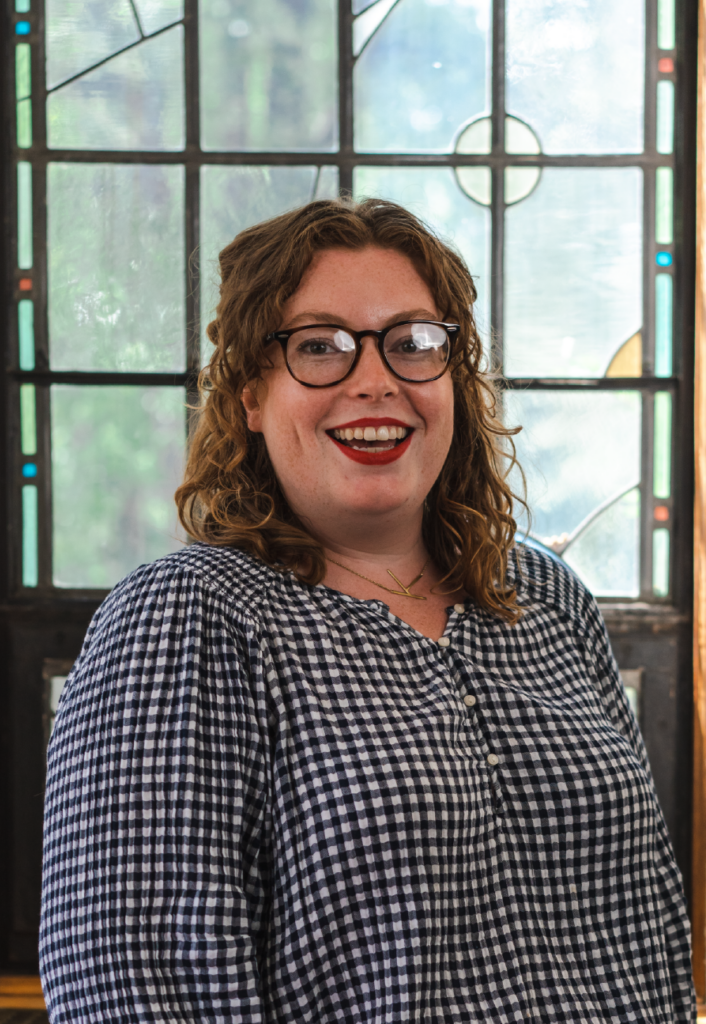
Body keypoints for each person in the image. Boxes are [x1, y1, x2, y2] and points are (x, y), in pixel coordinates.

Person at [39, 198, 695, 1023]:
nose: (375, 379)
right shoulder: (187, 617)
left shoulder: (549, 600)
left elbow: (652, 941)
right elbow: (132, 992)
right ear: (250, 395)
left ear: (453, 377)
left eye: (413, 343)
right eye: (320, 347)